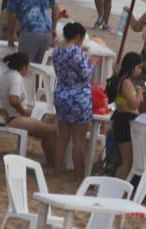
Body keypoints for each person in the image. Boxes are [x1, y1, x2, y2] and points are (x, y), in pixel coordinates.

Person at [0, 52, 57, 167]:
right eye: (28, 67)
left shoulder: (6, 74)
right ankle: (53, 163)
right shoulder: (16, 78)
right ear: (23, 66)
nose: (28, 70)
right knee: (52, 131)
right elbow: (13, 100)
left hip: (7, 116)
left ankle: (52, 162)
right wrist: (23, 112)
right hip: (13, 118)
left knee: (47, 126)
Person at [53, 22, 94, 181]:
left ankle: (57, 171)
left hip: (61, 92)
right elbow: (86, 75)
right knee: (79, 139)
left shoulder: (57, 51)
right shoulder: (76, 52)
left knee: (62, 136)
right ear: (78, 37)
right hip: (78, 96)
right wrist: (92, 64)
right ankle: (78, 176)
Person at [6, 0, 58, 64]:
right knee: (39, 69)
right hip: (46, 33)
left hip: (30, 32)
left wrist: (11, 35)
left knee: (24, 65)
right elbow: (56, 8)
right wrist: (54, 28)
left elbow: (11, 16)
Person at [108, 52, 146, 182]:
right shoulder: (127, 82)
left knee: (125, 160)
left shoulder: (121, 80)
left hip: (122, 118)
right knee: (127, 161)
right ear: (132, 67)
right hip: (125, 122)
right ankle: (118, 186)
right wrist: (140, 93)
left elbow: (120, 102)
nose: (140, 71)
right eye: (139, 67)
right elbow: (134, 104)